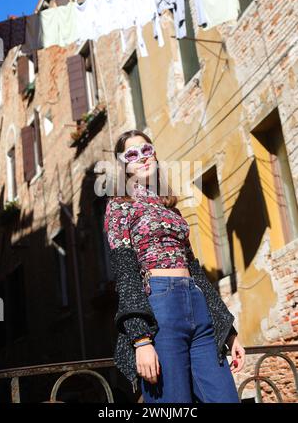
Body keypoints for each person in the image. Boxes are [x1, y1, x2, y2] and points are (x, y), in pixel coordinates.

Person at [104, 129, 245, 403]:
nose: (142, 158)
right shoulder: (120, 206)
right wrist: (141, 340)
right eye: (132, 155)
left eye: (147, 150)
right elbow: (125, 273)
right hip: (160, 309)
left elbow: (195, 269)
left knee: (226, 398)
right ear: (123, 165)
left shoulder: (170, 208)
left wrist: (228, 331)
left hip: (197, 304)